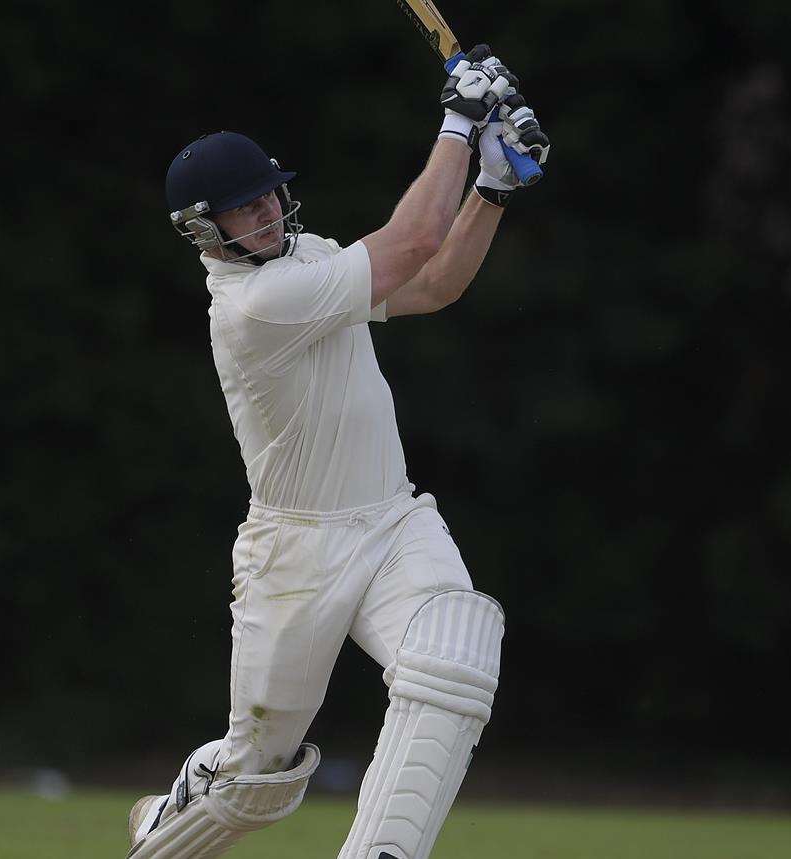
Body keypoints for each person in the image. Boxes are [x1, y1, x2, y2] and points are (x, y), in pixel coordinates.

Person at [130, 44, 550, 859]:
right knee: (256, 777)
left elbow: (430, 286)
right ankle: (167, 823)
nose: (264, 216)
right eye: (241, 211)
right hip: (296, 552)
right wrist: (460, 122)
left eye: (266, 197)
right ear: (200, 232)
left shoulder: (308, 257)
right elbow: (413, 241)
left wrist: (494, 192)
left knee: (454, 659)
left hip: (392, 519)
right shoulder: (255, 306)